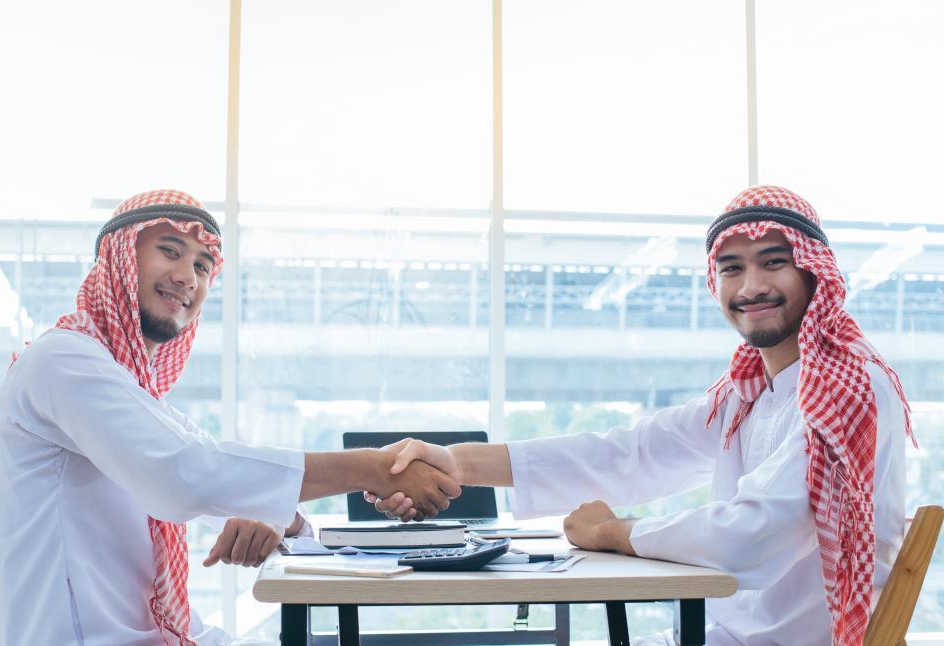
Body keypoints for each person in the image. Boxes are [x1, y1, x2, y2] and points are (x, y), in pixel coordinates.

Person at [370, 185, 912, 646]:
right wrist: (456, 462)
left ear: (815, 273)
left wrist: (615, 532)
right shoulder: (749, 391)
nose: (751, 287)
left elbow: (751, 532)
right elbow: (631, 453)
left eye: (774, 262)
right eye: (732, 269)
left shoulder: (850, 387)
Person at [0, 189, 461, 646]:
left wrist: (280, 521)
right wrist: (373, 468)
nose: (189, 276)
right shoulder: (61, 361)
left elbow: (217, 483)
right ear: (118, 260)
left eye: (203, 265)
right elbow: (185, 474)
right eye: (171, 252)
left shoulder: (139, 398)